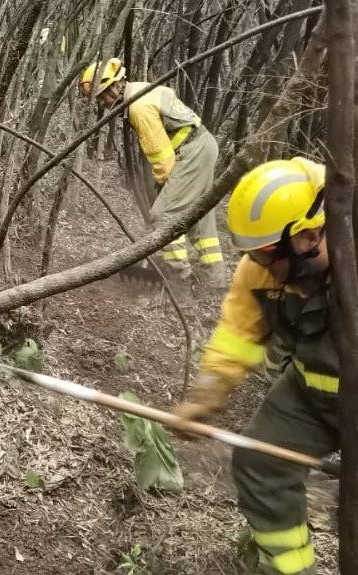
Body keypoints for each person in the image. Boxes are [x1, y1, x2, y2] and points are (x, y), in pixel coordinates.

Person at [171, 157, 333, 575]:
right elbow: (237, 334)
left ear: (309, 236)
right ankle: (289, 569)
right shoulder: (262, 269)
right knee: (260, 465)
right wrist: (206, 396)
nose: (257, 267)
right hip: (309, 392)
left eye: (265, 256)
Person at [80, 58, 226, 287]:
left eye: (103, 96)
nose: (103, 104)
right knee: (199, 214)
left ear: (115, 86)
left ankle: (178, 278)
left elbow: (161, 156)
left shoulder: (138, 106)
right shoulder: (140, 91)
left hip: (192, 151)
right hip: (202, 145)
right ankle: (214, 279)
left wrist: (163, 187)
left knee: (162, 214)